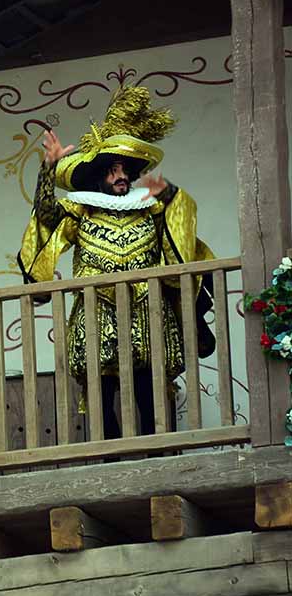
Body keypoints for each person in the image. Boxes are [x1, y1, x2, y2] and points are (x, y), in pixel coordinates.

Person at [17, 88, 214, 439]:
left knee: (150, 392)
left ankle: (159, 454)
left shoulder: (150, 208)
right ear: (99, 177)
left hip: (148, 315)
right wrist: (48, 170)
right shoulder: (80, 210)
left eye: (124, 169)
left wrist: (167, 191)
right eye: (112, 170)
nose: (120, 175)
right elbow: (46, 216)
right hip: (97, 315)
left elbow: (180, 224)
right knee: (100, 394)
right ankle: (107, 457)